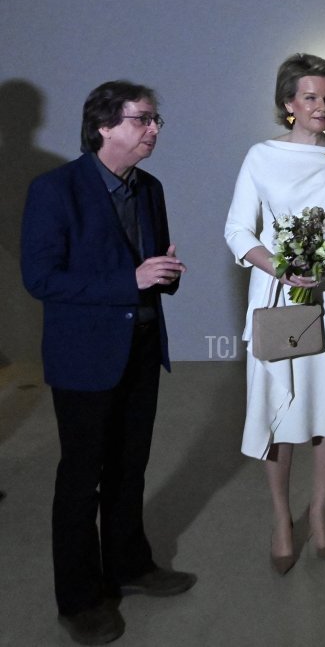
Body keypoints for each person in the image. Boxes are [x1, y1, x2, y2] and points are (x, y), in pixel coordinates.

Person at [21, 81, 194, 645]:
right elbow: (40, 279)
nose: (154, 129)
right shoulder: (55, 189)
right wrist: (131, 279)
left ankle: (130, 565)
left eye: (156, 120)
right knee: (81, 479)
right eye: (143, 119)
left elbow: (148, 268)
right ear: (103, 126)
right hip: (84, 357)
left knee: (129, 466)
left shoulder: (150, 188)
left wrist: (163, 274)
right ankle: (79, 600)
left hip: (140, 348)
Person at [224, 53, 325, 575]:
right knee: (277, 410)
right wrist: (281, 266)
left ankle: (318, 515)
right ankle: (280, 520)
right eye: (311, 97)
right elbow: (238, 230)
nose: (322, 106)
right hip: (279, 295)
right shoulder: (262, 156)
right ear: (288, 103)